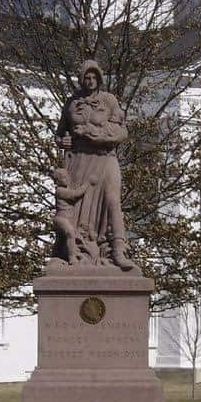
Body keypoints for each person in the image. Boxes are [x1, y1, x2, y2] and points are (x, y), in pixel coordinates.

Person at [55, 60, 136, 271]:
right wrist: (62, 140)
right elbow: (60, 132)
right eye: (86, 78)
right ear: (81, 80)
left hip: (105, 157)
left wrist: (94, 133)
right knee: (78, 210)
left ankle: (118, 249)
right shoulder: (72, 103)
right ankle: (76, 251)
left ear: (99, 79)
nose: (90, 81)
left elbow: (121, 132)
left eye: (94, 77)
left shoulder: (109, 101)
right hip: (80, 161)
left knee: (112, 201)